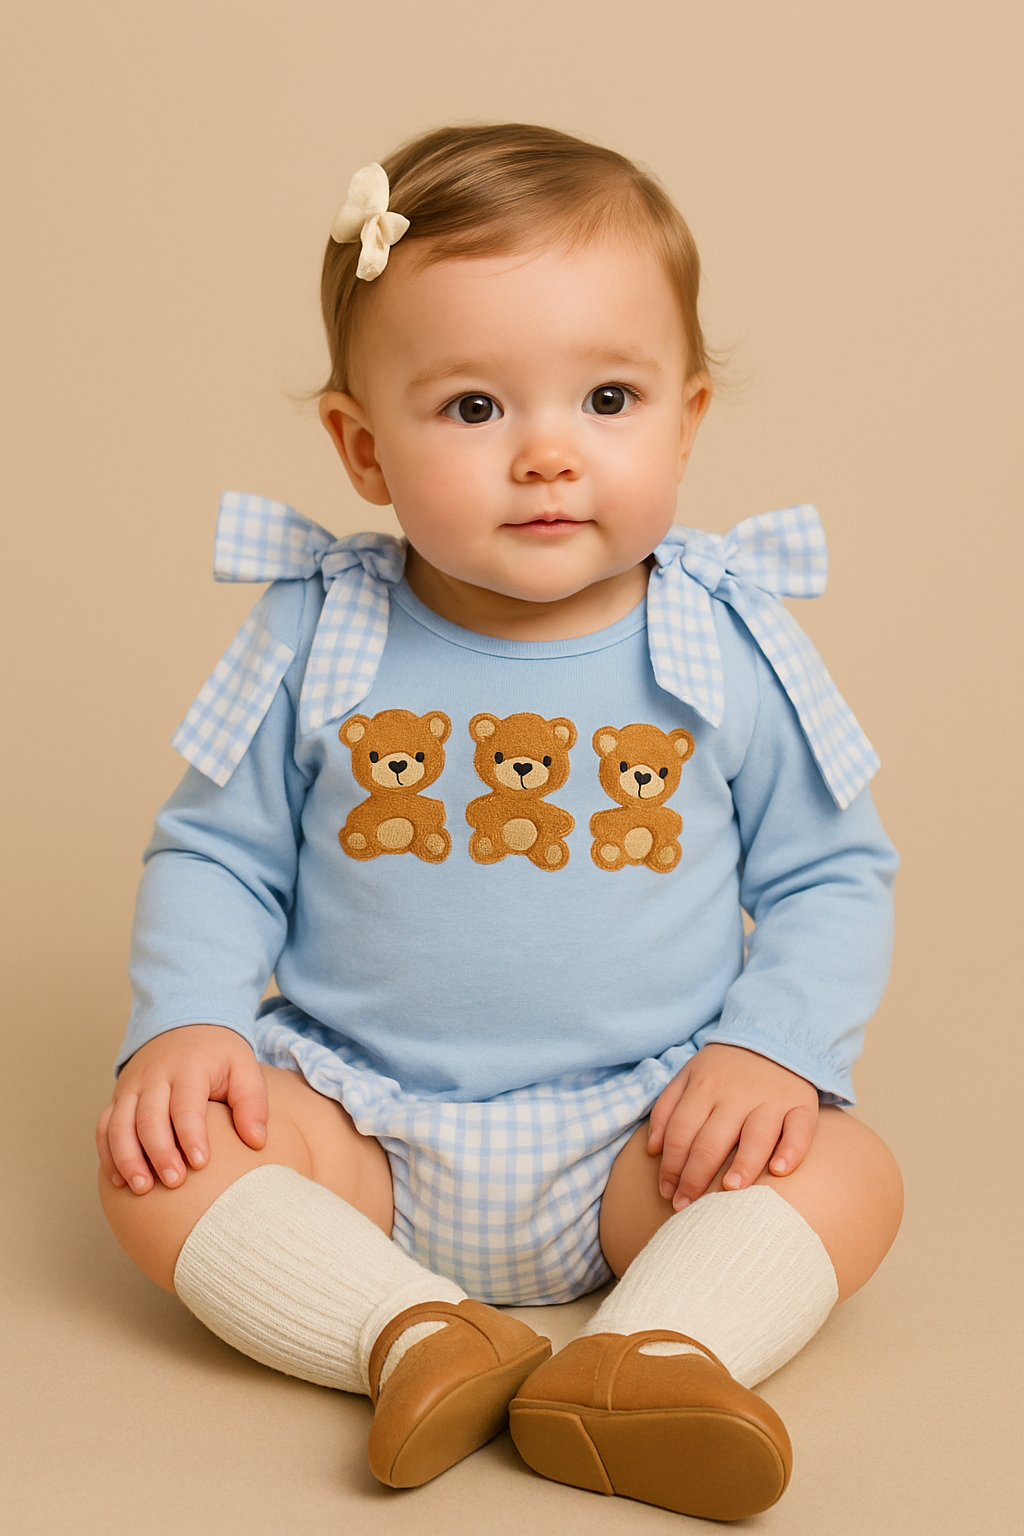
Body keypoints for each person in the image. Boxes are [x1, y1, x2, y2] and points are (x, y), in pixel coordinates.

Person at [96, 123, 903, 1521]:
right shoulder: (316, 631)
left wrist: (771, 1050)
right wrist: (188, 1021)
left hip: (647, 1130)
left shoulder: (721, 643)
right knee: (154, 1165)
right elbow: (217, 854)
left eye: (607, 397)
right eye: (473, 409)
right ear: (362, 446)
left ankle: (658, 1359)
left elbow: (834, 874)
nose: (546, 454)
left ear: (688, 417)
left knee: (851, 1172)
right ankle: (409, 1335)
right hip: (357, 1122)